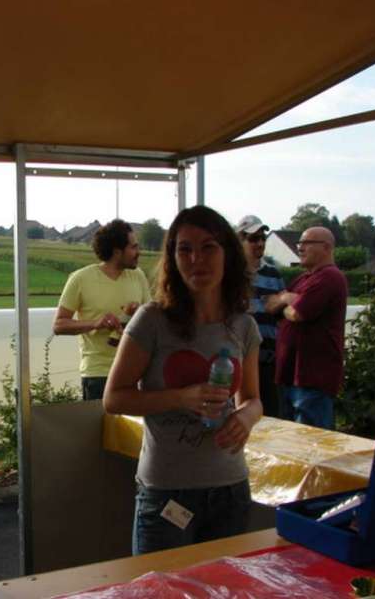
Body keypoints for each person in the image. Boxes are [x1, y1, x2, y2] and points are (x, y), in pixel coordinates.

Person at [104, 205, 262, 555]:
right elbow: (114, 398)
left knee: (222, 593)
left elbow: (252, 398)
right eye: (184, 249)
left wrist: (245, 418)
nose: (196, 259)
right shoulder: (152, 320)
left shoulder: (243, 325)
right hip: (166, 493)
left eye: (208, 247)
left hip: (230, 489)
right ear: (172, 257)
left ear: (228, 254)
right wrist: (182, 397)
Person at [53, 219, 151, 400]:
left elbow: (151, 321)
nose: (139, 252)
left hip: (135, 372)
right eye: (133, 247)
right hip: (98, 374)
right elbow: (59, 325)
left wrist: (139, 313)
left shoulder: (138, 276)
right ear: (116, 252)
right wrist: (95, 323)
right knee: (102, 428)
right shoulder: (80, 279)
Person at [272, 226, 347, 429]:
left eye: (306, 243)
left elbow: (297, 313)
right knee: (291, 443)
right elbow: (272, 305)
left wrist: (286, 299)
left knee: (311, 445)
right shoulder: (303, 279)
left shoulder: (330, 277)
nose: (300, 248)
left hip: (312, 378)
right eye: (299, 243)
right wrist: (290, 300)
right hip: (291, 376)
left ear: (326, 247)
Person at [235, 215, 285, 418]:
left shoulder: (273, 273)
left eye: (262, 238)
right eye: (253, 239)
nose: (260, 243)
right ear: (240, 240)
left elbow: (282, 312)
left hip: (268, 361)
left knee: (269, 417)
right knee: (239, 416)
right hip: (237, 359)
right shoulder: (230, 273)